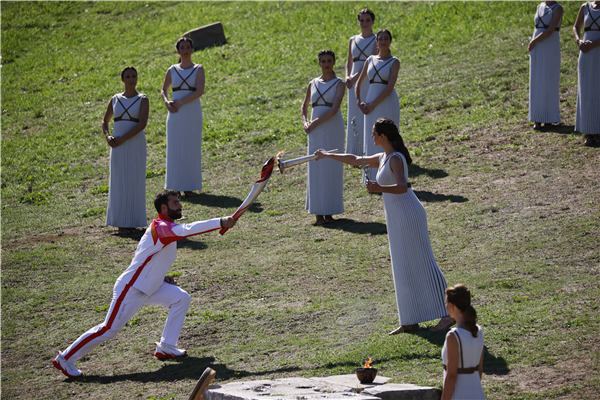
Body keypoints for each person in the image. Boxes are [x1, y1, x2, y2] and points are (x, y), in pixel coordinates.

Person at [52, 190, 237, 378]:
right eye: (175, 203)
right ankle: (65, 358)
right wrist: (219, 222)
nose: (180, 205)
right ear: (163, 208)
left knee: (181, 298)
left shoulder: (163, 227)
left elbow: (146, 258)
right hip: (131, 289)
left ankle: (166, 347)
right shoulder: (162, 227)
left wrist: (161, 277)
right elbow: (187, 230)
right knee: (109, 329)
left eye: (179, 202)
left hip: (150, 286)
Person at [314, 118, 454, 334]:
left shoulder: (396, 159)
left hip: (409, 214)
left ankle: (448, 314)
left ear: (383, 136)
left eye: (374, 133)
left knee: (423, 262)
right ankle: (410, 319)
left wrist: (379, 187)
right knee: (401, 265)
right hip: (396, 217)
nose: (371, 137)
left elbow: (403, 187)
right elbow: (354, 160)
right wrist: (327, 155)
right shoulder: (381, 158)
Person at [102, 66, 149, 234]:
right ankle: (121, 222)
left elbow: (142, 124)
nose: (131, 79)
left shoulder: (143, 99)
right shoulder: (115, 99)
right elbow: (105, 121)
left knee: (135, 180)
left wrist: (123, 138)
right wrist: (108, 136)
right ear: (122, 79)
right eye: (128, 76)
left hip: (135, 143)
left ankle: (134, 221)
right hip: (117, 146)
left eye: (134, 76)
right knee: (119, 180)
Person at [301, 50, 346, 225]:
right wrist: (306, 122)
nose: (326, 64)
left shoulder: (339, 84)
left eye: (329, 60)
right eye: (323, 61)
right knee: (316, 166)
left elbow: (334, 109)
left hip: (331, 128)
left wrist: (314, 122)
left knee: (332, 165)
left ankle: (330, 212)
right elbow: (304, 107)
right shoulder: (312, 83)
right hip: (315, 131)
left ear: (334, 62)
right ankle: (318, 213)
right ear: (319, 63)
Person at [161, 37, 205, 196]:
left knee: (191, 148)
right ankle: (174, 187)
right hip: (175, 114)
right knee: (175, 148)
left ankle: (189, 186)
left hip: (192, 112)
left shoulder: (198, 69)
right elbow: (164, 90)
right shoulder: (172, 69)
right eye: (182, 47)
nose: (185, 49)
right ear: (178, 50)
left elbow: (199, 91)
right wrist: (168, 103)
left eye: (188, 46)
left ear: (192, 49)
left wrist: (180, 102)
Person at [355, 29, 400, 181]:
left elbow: (389, 89)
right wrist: (359, 102)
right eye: (380, 39)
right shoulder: (370, 60)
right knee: (372, 137)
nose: (383, 41)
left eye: (386, 38)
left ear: (390, 41)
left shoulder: (394, 62)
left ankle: (389, 175)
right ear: (377, 41)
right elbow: (359, 83)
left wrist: (372, 104)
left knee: (387, 137)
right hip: (369, 104)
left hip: (386, 103)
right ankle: (371, 177)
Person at [441, 284, 485, 400]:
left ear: (451, 306)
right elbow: (479, 371)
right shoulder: (479, 331)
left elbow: (451, 376)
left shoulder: (453, 336)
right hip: (478, 394)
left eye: (446, 303)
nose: (445, 306)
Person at [345, 8, 377, 155]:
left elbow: (372, 62)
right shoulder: (353, 39)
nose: (364, 23)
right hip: (352, 83)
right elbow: (349, 61)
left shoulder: (376, 39)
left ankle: (368, 148)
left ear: (373, 22)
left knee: (366, 110)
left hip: (367, 79)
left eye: (367, 20)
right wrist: (347, 76)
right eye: (362, 20)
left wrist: (355, 77)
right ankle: (354, 150)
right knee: (354, 113)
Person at [528, 1, 563, 130]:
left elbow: (550, 30)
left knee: (549, 80)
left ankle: (549, 117)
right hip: (537, 46)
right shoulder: (539, 6)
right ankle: (536, 118)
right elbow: (536, 26)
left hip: (549, 45)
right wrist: (534, 41)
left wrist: (534, 41)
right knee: (536, 80)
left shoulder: (558, 8)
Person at [573, 1, 600, 146]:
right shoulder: (585, 7)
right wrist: (579, 41)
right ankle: (588, 132)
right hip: (586, 54)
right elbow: (576, 27)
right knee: (586, 92)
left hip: (597, 52)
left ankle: (598, 131)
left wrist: (593, 44)